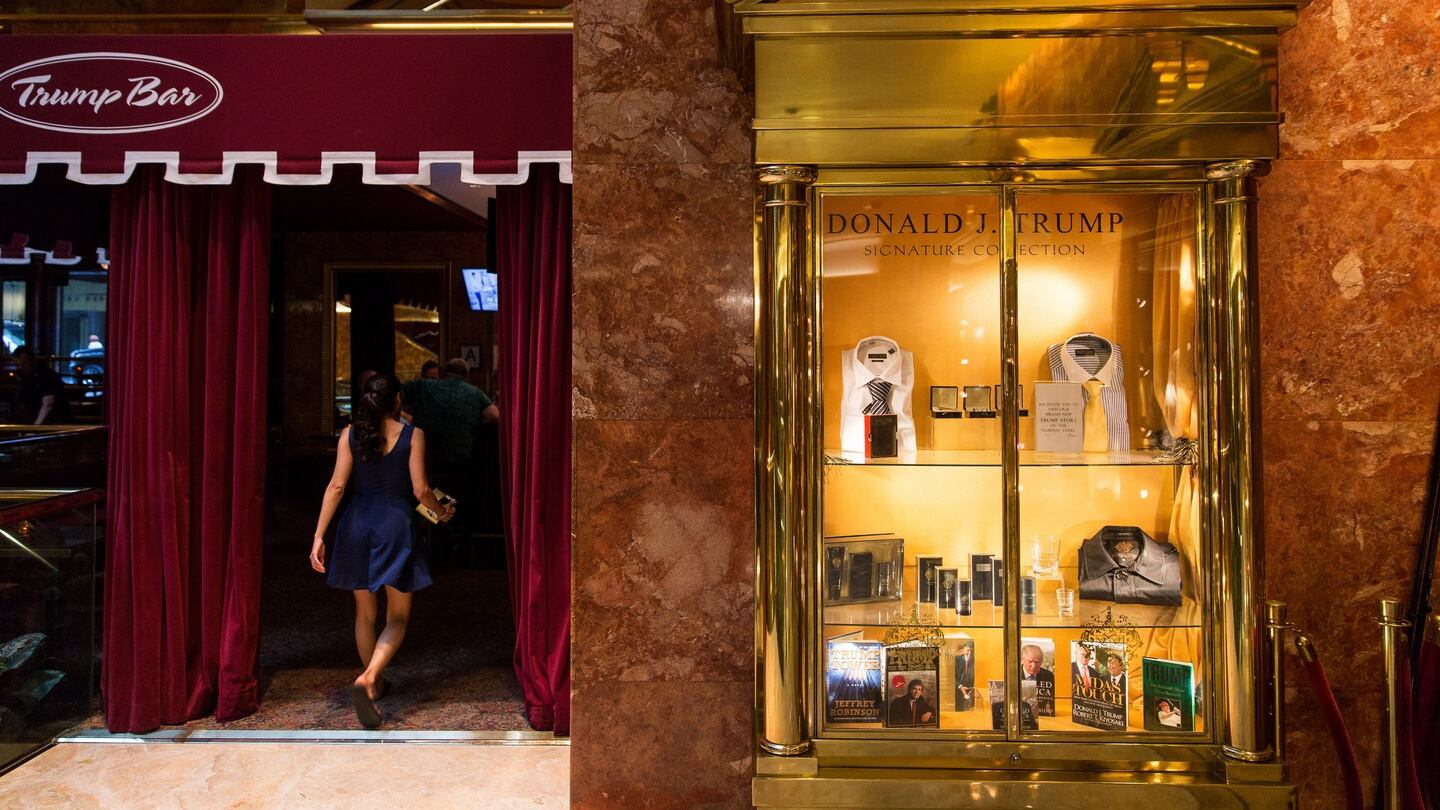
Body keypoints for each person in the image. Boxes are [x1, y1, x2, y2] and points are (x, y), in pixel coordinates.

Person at [309, 372, 454, 728]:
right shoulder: (412, 435)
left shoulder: (350, 434)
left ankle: (374, 685)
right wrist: (441, 512)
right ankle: (370, 676)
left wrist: (318, 536)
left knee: (364, 614)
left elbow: (337, 486)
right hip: (395, 527)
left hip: (356, 525)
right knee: (398, 617)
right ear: (398, 399)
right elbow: (420, 490)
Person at [401, 359, 499, 517]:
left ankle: (431, 524)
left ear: (443, 373)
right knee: (454, 503)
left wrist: (405, 416)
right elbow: (494, 415)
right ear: (466, 376)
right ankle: (448, 523)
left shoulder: (423, 386)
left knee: (429, 496)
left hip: (426, 461)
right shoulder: (474, 393)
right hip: (458, 465)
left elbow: (393, 393)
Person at [11, 346, 71, 425]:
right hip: (36, 419)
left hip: (55, 421)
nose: (20, 368)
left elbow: (48, 404)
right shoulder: (23, 376)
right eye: (17, 365)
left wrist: (36, 427)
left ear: (33, 360)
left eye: (24, 364)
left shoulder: (47, 375)